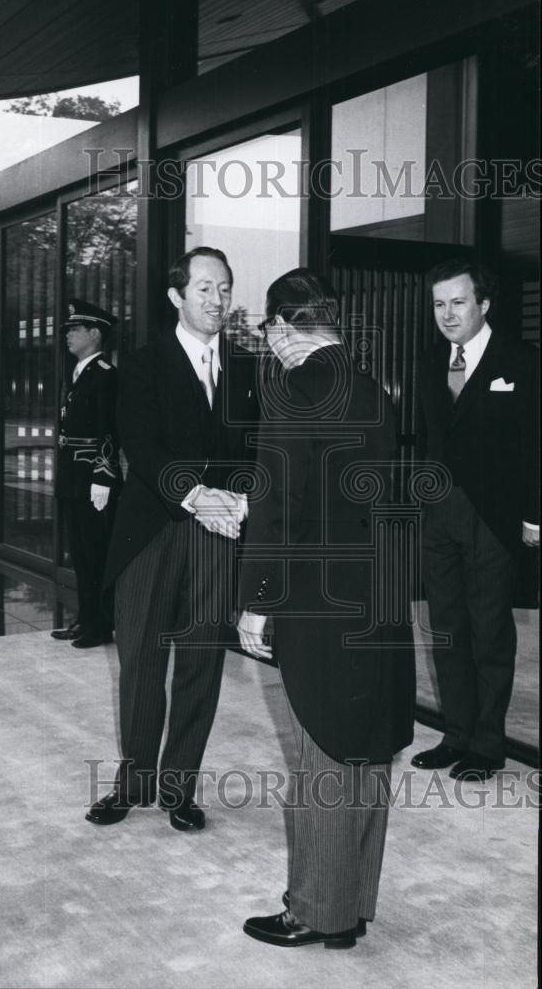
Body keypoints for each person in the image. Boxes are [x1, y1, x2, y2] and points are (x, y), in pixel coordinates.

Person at [238, 268, 415, 949]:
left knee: (322, 759)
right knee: (366, 752)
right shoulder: (374, 389)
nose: (269, 343)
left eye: (267, 330)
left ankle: (315, 911)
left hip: (320, 604)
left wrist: (257, 601)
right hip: (378, 597)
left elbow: (278, 508)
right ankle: (351, 906)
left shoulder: (293, 390)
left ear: (283, 327)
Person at [86, 246, 259, 830]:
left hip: (218, 538)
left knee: (202, 664)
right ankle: (132, 782)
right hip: (152, 534)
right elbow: (143, 444)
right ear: (177, 296)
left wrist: (236, 500)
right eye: (205, 289)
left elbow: (255, 449)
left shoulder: (246, 366)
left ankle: (179, 787)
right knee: (140, 663)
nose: (217, 300)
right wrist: (197, 497)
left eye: (225, 289)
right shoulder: (143, 364)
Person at [411, 259, 539, 782]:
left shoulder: (523, 361)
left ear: (484, 304)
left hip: (495, 517)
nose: (447, 313)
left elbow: (537, 443)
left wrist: (534, 515)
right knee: (446, 629)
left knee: (488, 631)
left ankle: (488, 743)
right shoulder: (427, 361)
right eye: (439, 303)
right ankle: (456, 735)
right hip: (440, 514)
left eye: (458, 302)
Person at [51, 300, 122, 649]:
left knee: (96, 553)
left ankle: (100, 625)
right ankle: (86, 619)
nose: (68, 336)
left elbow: (110, 430)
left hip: (93, 480)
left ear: (94, 334)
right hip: (73, 478)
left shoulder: (106, 376)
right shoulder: (79, 374)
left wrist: (103, 477)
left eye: (74, 330)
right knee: (80, 554)